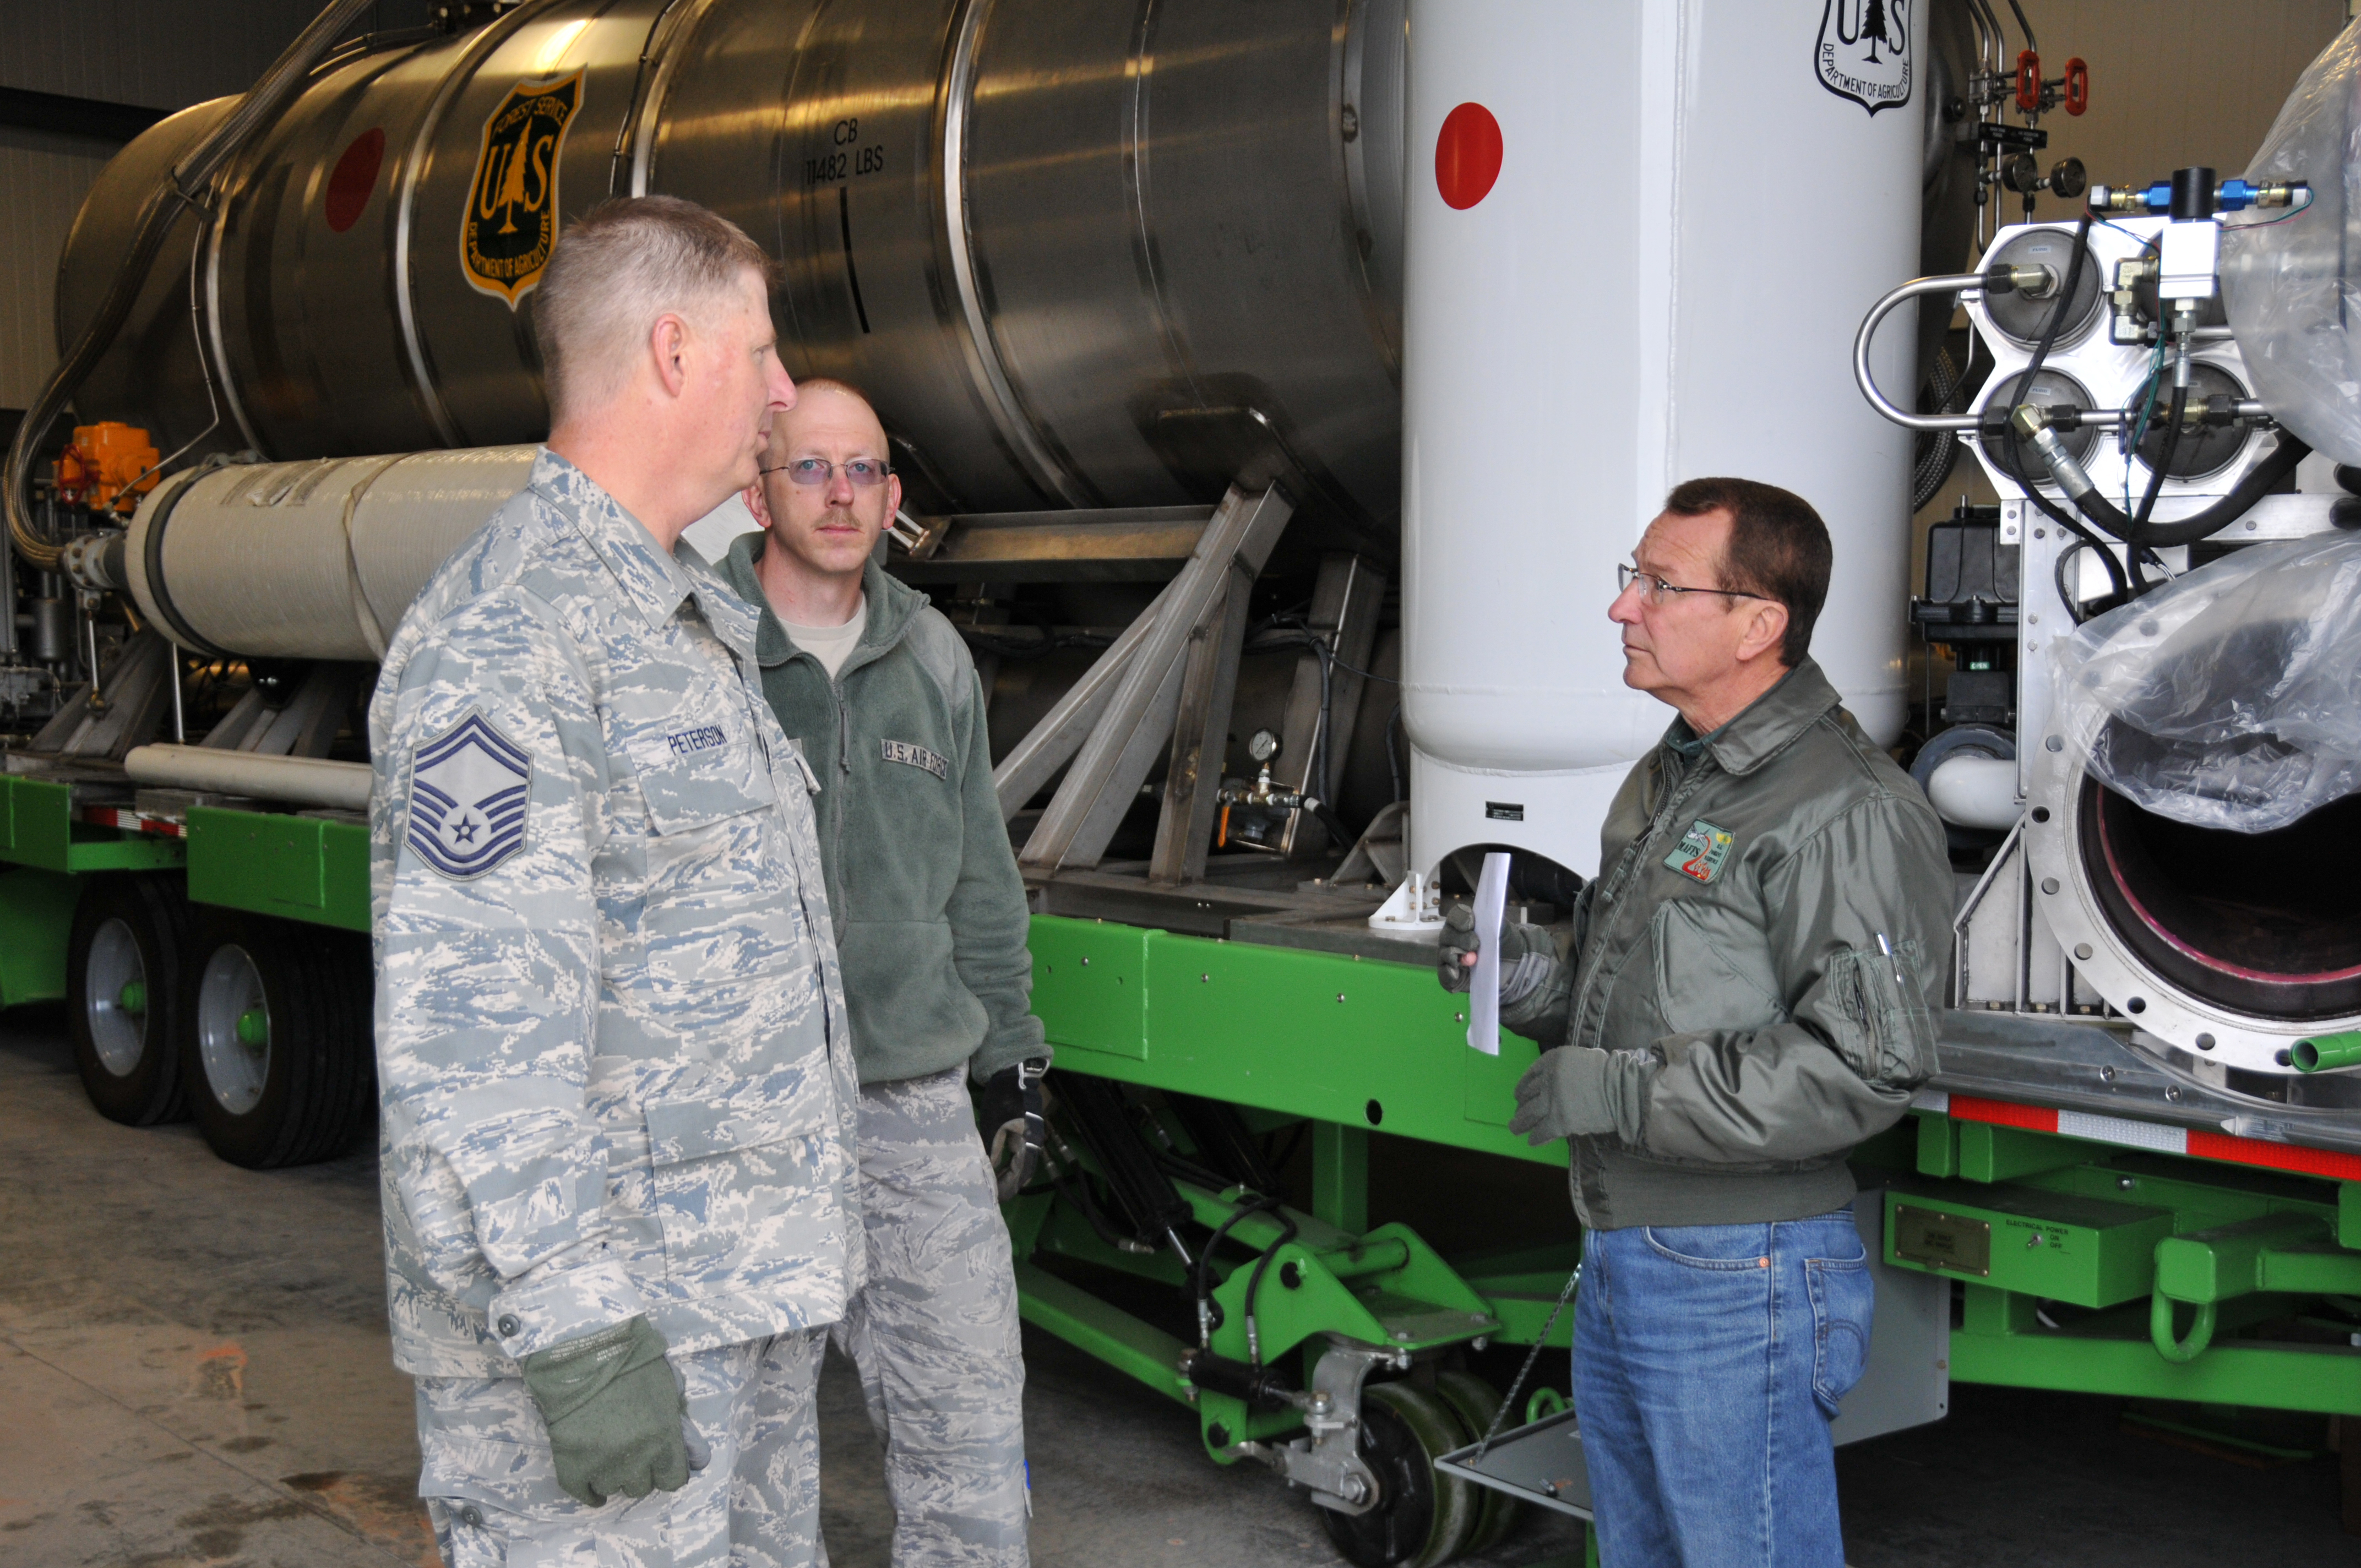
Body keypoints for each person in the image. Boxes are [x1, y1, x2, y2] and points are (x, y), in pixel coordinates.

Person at [368, 196, 860, 1568]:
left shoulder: (681, 614)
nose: (778, 392)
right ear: (672, 351)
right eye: (758, 353)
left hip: (735, 1304)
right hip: (611, 1333)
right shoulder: (509, 639)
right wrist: (579, 1331)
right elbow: (475, 1035)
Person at [1438, 477, 1951, 1567]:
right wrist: (1527, 979)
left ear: (1757, 623)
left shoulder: (1840, 808)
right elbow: (1646, 975)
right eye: (1631, 578)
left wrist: (1618, 1090)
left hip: (1740, 1268)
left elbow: (1864, 1067)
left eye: (1659, 585)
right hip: (1634, 1240)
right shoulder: (1675, 774)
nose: (1623, 607)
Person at [711, 378, 1042, 1566]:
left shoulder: (933, 654)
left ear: (894, 497)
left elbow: (980, 883)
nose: (839, 493)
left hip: (911, 1106)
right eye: (810, 468)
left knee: (967, 1422)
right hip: (745, 1118)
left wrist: (1010, 1057)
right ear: (757, 489)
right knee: (745, 1457)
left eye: (861, 471)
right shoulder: (699, 652)